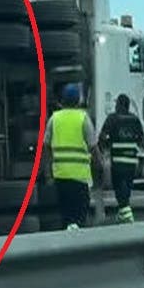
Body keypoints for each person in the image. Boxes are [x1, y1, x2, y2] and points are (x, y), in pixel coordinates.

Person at [42, 83, 98, 230]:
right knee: (80, 217)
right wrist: (99, 168)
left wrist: (48, 175)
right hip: (80, 178)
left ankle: (66, 245)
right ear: (78, 100)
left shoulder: (54, 119)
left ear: (62, 100)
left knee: (65, 217)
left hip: (60, 177)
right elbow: (93, 148)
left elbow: (46, 148)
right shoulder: (83, 119)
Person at [98, 94, 144, 223]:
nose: (115, 106)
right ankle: (124, 212)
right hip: (132, 162)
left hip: (118, 160)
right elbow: (142, 140)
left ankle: (126, 212)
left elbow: (102, 136)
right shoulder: (135, 120)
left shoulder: (112, 119)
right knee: (127, 186)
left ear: (120, 105)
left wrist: (103, 148)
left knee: (118, 186)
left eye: (117, 104)